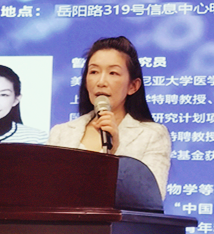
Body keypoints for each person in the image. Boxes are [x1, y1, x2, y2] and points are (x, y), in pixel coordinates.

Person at [47, 36, 171, 199]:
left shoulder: (152, 135)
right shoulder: (60, 133)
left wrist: (114, 154)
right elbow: (46, 192)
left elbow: (151, 197)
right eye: (94, 72)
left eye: (113, 73)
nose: (101, 82)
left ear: (133, 86)